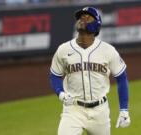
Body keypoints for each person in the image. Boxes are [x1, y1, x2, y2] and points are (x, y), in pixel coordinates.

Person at [49, 6, 130, 135]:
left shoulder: (108, 50)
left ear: (96, 24)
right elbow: (54, 75)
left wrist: (124, 109)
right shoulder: (63, 49)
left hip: (100, 112)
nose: (82, 19)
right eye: (81, 17)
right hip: (73, 110)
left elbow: (121, 77)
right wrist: (61, 93)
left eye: (87, 17)